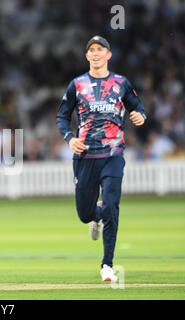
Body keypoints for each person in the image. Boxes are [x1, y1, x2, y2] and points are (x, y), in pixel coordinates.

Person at [56, 36, 146, 282]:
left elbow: (138, 107)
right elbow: (62, 117)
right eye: (91, 50)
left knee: (111, 205)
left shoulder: (121, 83)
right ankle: (94, 216)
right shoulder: (77, 84)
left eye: (100, 49)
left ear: (109, 55)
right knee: (85, 214)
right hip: (85, 156)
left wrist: (140, 116)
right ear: (87, 56)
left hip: (113, 154)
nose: (95, 53)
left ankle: (107, 264)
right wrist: (69, 139)